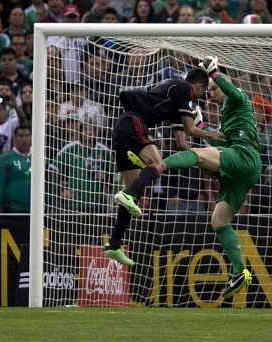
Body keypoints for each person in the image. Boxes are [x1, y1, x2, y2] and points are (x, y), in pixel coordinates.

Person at [109, 56, 262, 299]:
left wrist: (213, 72)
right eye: (208, 90)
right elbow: (195, 139)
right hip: (244, 171)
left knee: (192, 155)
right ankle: (239, 270)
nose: (209, 95)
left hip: (245, 157)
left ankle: (153, 172)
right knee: (219, 221)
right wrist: (204, 131)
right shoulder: (226, 114)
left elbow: (231, 90)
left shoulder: (240, 99)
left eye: (213, 90)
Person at [103, 67, 221, 264]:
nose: (203, 96)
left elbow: (183, 143)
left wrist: (207, 167)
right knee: (158, 164)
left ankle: (114, 244)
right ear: (197, 86)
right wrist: (212, 134)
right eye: (203, 91)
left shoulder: (177, 103)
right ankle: (126, 195)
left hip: (123, 129)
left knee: (134, 194)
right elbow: (191, 128)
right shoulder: (183, 87)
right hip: (134, 122)